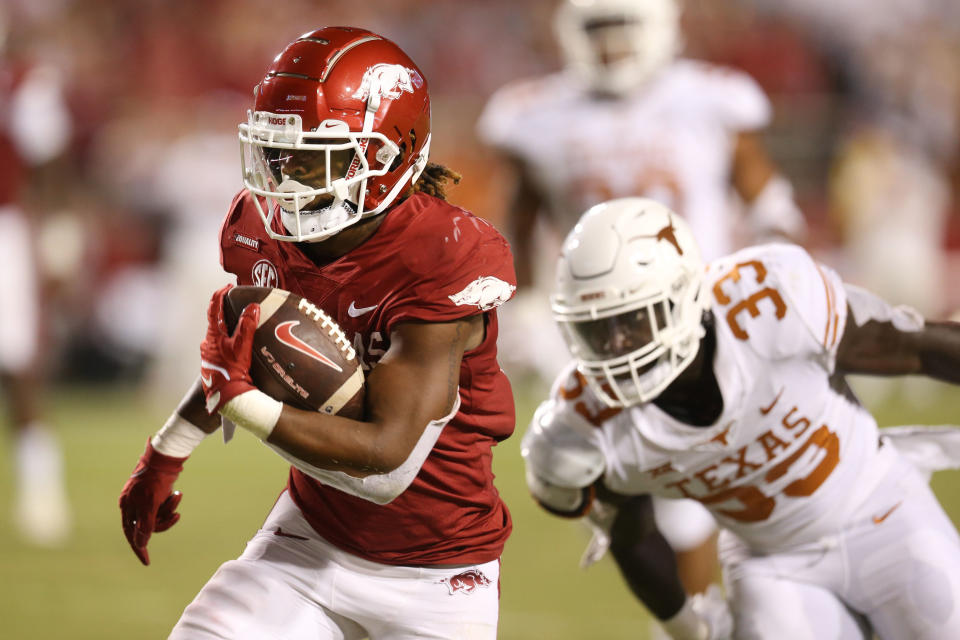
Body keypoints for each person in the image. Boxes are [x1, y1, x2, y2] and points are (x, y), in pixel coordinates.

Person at [118, 27, 517, 640]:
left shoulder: (445, 253)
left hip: (440, 576)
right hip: (308, 543)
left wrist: (243, 404)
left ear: (386, 156)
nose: (283, 178)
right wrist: (165, 451)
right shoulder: (263, 229)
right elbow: (243, 360)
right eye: (276, 154)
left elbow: (385, 463)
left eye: (310, 156)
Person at [479, 0, 807, 601]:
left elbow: (766, 200)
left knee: (687, 471)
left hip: (700, 313)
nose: (610, 44)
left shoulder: (709, 99)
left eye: (622, 26)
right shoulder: (536, 112)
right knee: (637, 471)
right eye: (596, 29)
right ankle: (700, 608)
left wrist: (780, 267)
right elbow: (519, 217)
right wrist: (521, 299)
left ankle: (703, 608)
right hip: (601, 325)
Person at [522, 196, 960, 639]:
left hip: (884, 508)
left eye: (632, 321)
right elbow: (632, 538)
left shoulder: (770, 303)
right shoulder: (583, 428)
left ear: (684, 296)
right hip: (771, 565)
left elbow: (913, 347)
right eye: (596, 331)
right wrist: (689, 629)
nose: (616, 347)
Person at [0, 7, 73, 546]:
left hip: (3, 224)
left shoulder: (25, 81)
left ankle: (40, 485)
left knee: (17, 362)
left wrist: (55, 230)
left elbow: (49, 163)